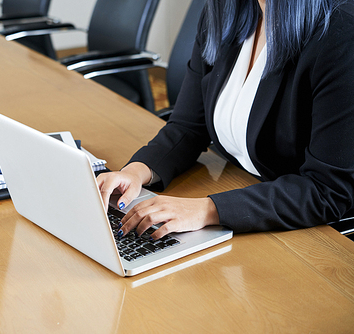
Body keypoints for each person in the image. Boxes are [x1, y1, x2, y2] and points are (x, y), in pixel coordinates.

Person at [97, 0, 354, 240]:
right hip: (241, 190)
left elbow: (326, 189)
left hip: (304, 230)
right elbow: (189, 125)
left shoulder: (341, 34)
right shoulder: (225, 12)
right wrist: (136, 171)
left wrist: (207, 210)